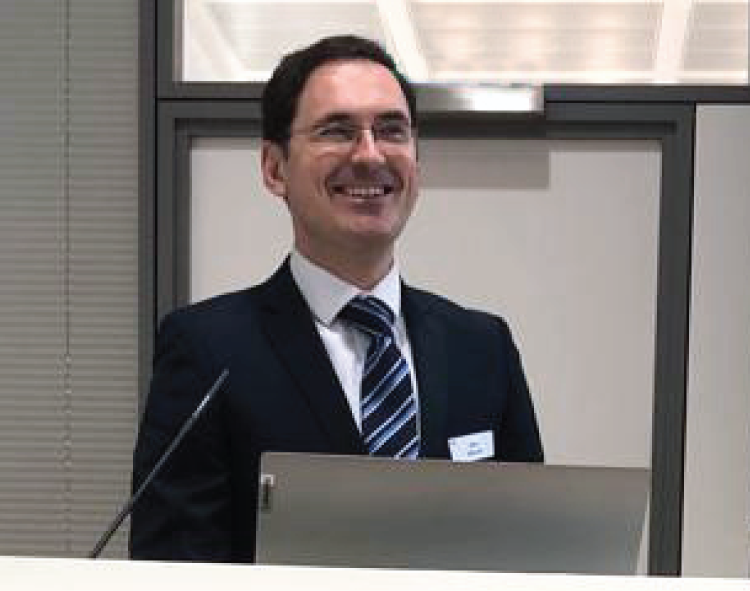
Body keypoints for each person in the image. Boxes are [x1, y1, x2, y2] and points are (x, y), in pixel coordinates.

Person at [130, 35, 544, 562]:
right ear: (274, 168)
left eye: (392, 130)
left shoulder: (482, 348)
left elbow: (532, 553)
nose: (370, 154)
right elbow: (173, 572)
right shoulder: (209, 350)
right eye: (337, 131)